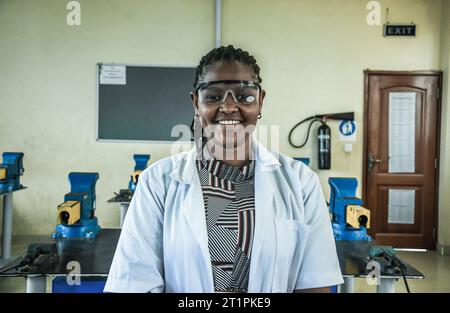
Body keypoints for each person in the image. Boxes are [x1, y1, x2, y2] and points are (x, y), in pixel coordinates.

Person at [104, 45, 343, 293]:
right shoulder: (157, 183)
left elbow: (315, 283)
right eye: (213, 96)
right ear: (196, 103)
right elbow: (133, 283)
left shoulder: (301, 182)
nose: (228, 107)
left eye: (244, 96)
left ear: (260, 102)